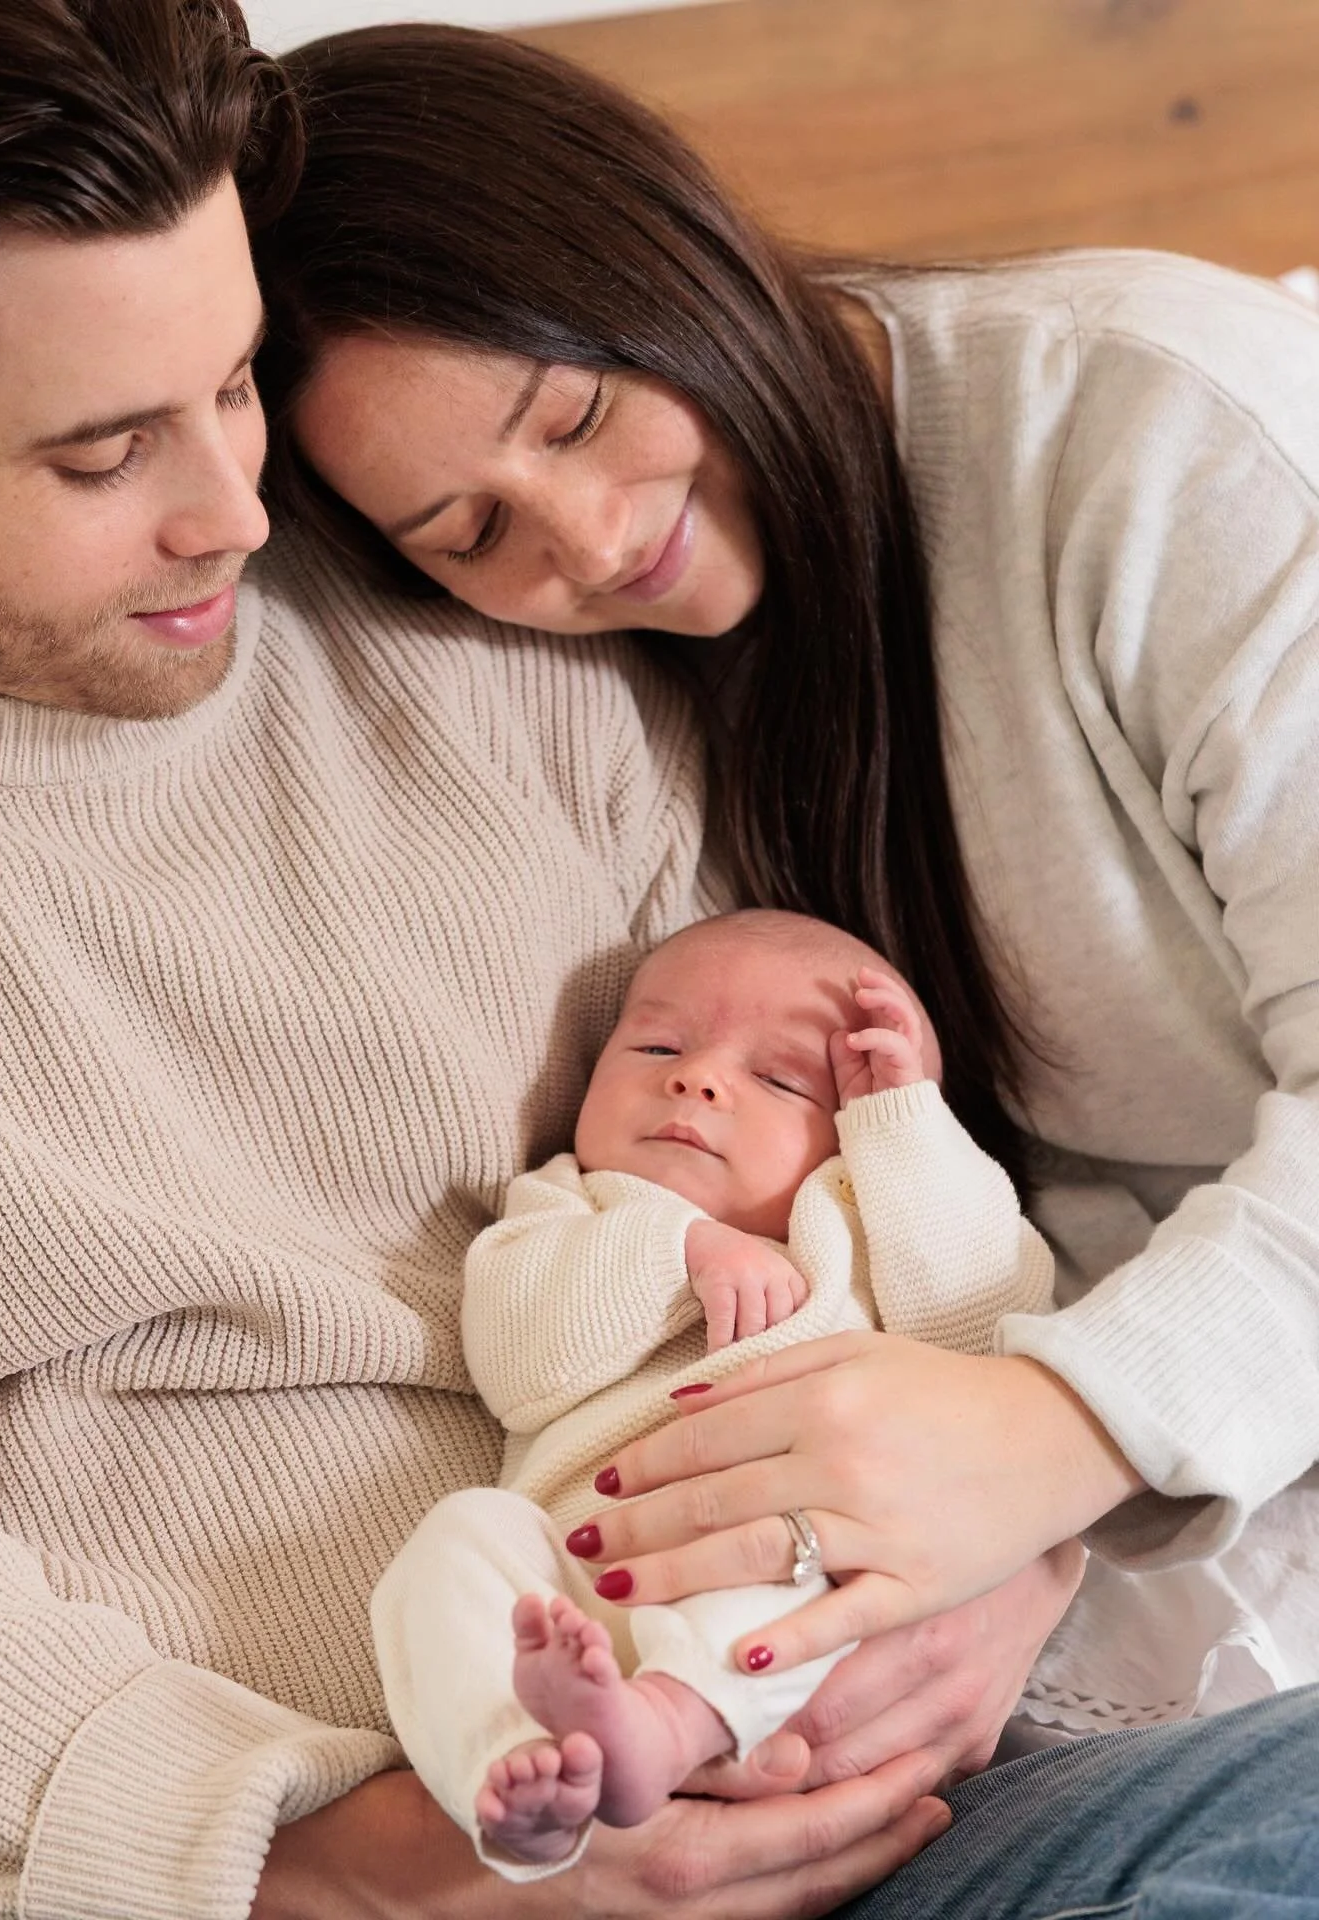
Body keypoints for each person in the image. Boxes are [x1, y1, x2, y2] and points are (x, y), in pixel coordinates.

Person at [247, 19, 1319, 1915]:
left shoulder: (1153, 442)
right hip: (1053, 1555)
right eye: (467, 529)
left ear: (669, 248)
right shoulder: (599, 702)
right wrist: (1023, 1542)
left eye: (575, 417)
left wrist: (1057, 1442)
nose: (585, 540)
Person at [373, 909, 1054, 1878]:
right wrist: (677, 1252)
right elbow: (521, 1366)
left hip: (788, 1580)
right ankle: (516, 1773)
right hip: (581, 1583)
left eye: (779, 1079)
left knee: (803, 1552)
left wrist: (907, 1133)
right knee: (451, 1545)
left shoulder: (862, 1222)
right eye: (657, 1043)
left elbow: (978, 1326)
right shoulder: (573, 1207)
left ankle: (666, 1719)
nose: (695, 1079)